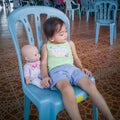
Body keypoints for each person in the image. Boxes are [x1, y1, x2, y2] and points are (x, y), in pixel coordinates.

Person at [40, 17, 115, 120]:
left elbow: (76, 58)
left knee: (90, 85)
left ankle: (110, 117)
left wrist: (81, 68)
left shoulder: (70, 44)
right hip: (57, 72)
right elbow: (43, 63)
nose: (65, 35)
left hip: (72, 69)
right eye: (61, 34)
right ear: (51, 38)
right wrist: (45, 76)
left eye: (66, 31)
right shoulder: (46, 47)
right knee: (67, 89)